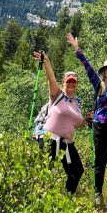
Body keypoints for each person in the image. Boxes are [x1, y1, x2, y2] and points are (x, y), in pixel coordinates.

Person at [67, 33, 107, 208]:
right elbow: (87, 67)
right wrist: (77, 49)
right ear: (104, 71)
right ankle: (98, 194)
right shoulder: (99, 84)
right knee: (100, 161)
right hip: (101, 127)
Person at [33, 52, 87, 194]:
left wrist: (86, 120)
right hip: (50, 139)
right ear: (63, 82)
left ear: (77, 84)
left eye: (73, 81)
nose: (71, 84)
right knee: (45, 173)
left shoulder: (77, 104)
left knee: (77, 171)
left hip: (66, 143)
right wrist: (47, 62)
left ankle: (67, 199)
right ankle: (40, 204)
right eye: (68, 81)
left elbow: (77, 124)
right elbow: (51, 78)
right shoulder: (57, 95)